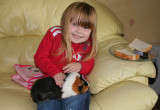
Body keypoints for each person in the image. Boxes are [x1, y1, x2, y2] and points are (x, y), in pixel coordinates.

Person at [34, 1, 97, 110]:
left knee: (78, 99)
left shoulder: (89, 43)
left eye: (86, 28)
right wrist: (55, 72)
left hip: (75, 82)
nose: (79, 31)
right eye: (75, 24)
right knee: (47, 105)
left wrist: (81, 66)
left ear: (92, 31)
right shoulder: (54, 34)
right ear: (64, 21)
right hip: (51, 81)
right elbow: (40, 57)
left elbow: (89, 64)